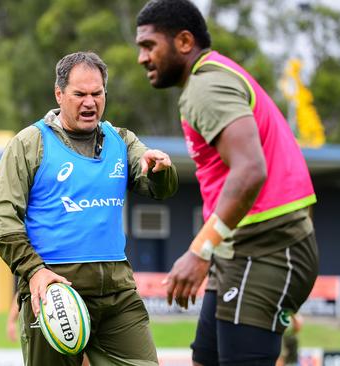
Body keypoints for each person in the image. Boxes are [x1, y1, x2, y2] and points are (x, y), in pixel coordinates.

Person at [135, 1, 319, 365]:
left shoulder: (206, 85)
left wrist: (199, 250)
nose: (142, 57)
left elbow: (251, 170)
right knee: (206, 358)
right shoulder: (210, 78)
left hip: (269, 248)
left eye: (149, 45)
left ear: (184, 41)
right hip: (238, 249)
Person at [0, 51, 178, 366]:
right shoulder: (29, 144)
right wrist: (34, 271)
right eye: (80, 94)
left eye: (97, 93)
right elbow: (2, 222)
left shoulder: (122, 141)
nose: (90, 102)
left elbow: (156, 187)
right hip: (54, 291)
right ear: (59, 94)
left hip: (118, 292)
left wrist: (161, 171)